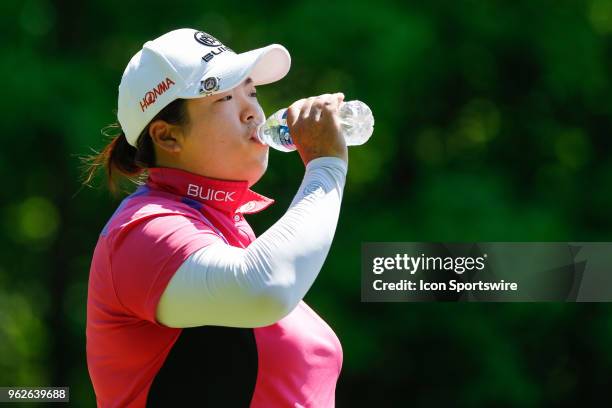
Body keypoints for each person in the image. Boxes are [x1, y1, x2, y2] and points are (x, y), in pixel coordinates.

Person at [83, 28, 348, 407]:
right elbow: (264, 287)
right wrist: (326, 167)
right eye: (225, 96)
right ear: (167, 136)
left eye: (252, 92)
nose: (253, 111)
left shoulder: (228, 230)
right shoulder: (143, 228)